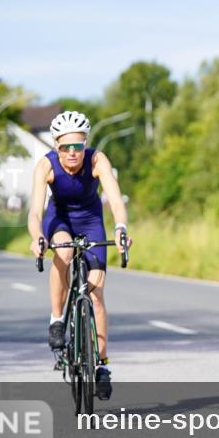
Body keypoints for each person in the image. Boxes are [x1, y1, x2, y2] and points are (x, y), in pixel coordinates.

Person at [26, 111, 132, 400]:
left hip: (90, 220)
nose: (72, 153)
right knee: (65, 250)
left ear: (86, 144)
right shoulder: (45, 166)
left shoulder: (98, 160)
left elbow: (115, 200)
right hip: (58, 220)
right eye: (65, 147)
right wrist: (37, 237)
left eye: (78, 146)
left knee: (96, 293)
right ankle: (57, 318)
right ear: (56, 146)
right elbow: (35, 212)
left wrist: (121, 227)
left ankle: (101, 365)